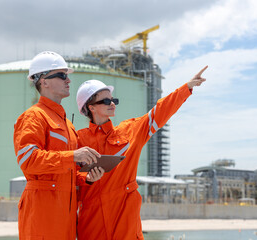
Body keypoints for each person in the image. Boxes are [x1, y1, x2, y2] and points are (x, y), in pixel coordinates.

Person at [75, 66, 208, 240]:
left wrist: (186, 88)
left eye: (113, 99)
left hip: (125, 219)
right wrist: (87, 179)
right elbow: (68, 177)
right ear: (91, 107)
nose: (112, 103)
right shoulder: (78, 139)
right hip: (92, 222)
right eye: (106, 101)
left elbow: (160, 111)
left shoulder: (130, 130)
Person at [13, 51, 105, 240]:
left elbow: (66, 173)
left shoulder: (67, 124)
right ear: (43, 81)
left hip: (66, 217)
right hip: (43, 216)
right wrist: (73, 156)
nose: (68, 80)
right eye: (62, 75)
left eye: (67, 75)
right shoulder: (34, 117)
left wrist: (86, 178)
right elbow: (28, 160)